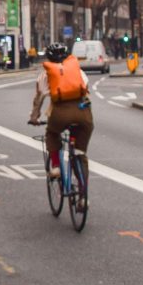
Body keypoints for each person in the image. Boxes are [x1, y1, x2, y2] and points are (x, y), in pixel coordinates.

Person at [28, 42, 94, 189]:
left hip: (60, 114)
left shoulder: (46, 75)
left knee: (51, 134)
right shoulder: (78, 72)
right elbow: (86, 92)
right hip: (83, 113)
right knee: (80, 153)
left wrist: (34, 117)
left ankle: (56, 166)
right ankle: (83, 197)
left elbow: (38, 100)